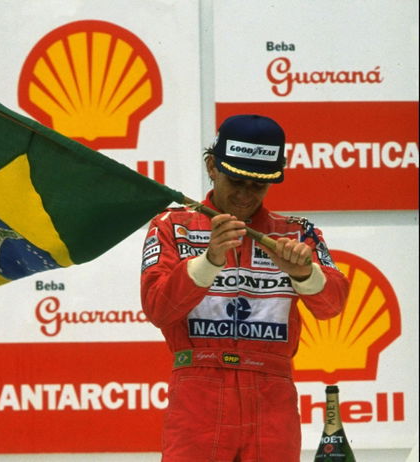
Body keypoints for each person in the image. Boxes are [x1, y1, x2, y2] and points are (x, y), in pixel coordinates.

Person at [140, 114, 350, 462]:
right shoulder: (172, 224)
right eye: (236, 180)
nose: (244, 195)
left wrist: (304, 274)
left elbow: (332, 306)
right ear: (211, 166)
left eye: (258, 185)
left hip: (272, 395)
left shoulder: (297, 233)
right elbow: (158, 309)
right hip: (199, 390)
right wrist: (209, 260)